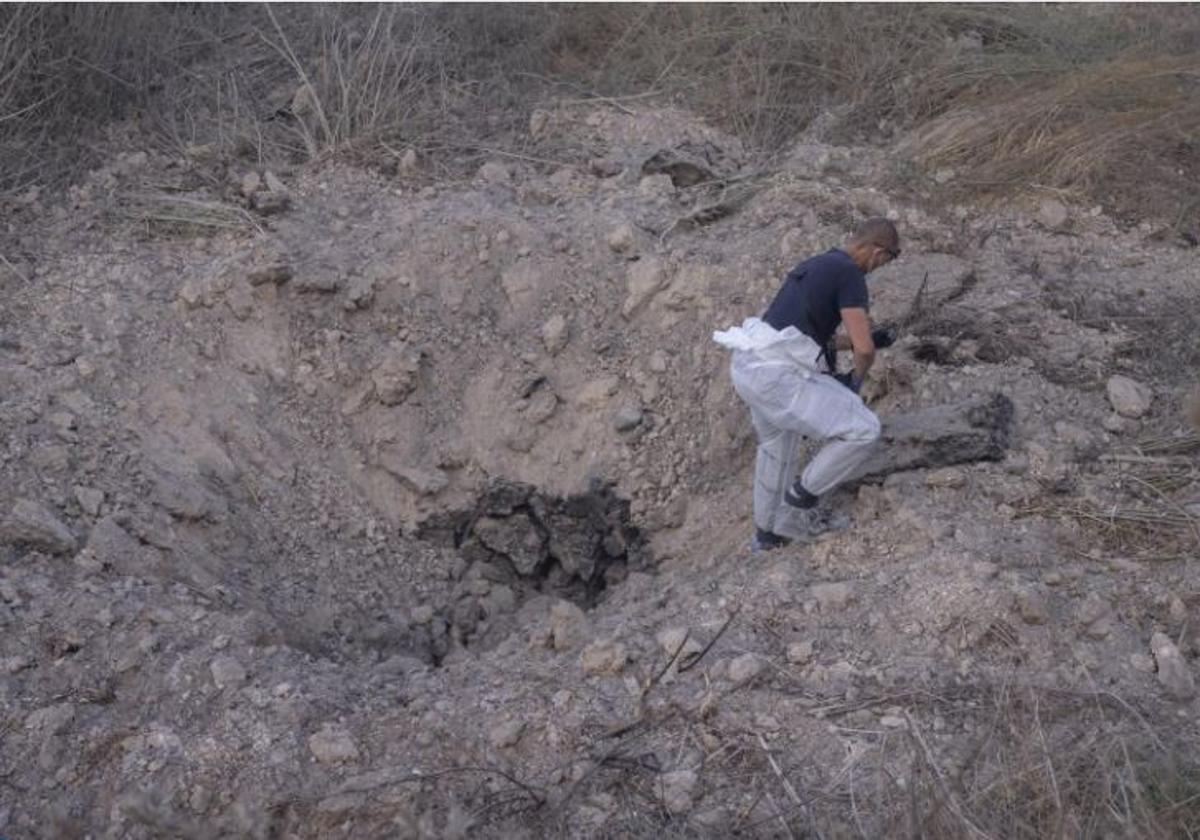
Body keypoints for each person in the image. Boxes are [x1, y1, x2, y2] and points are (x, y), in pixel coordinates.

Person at [713, 218, 901, 551]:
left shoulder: (819, 264)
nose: (879, 268)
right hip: (776, 377)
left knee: (777, 445)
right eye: (886, 259)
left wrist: (875, 338)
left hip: (749, 366)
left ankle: (767, 537)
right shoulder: (850, 273)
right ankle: (800, 502)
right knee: (864, 429)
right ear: (875, 250)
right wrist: (854, 380)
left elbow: (809, 337)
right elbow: (864, 350)